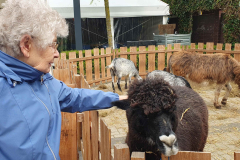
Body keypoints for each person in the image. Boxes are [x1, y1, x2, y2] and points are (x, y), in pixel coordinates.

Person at [0, 0, 127, 160]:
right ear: (26, 45)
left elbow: (75, 97)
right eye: (52, 45)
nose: (57, 53)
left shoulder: (42, 80)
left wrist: (117, 99)